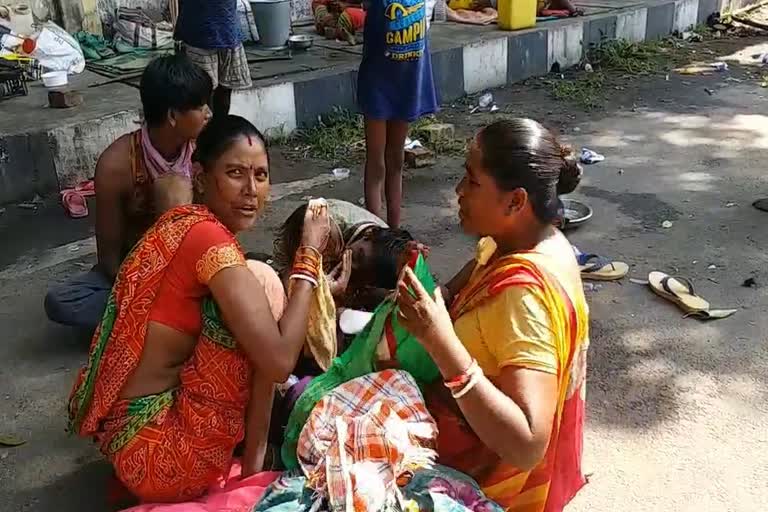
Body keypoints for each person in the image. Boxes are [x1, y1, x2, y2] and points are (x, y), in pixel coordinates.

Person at [67, 115, 332, 503]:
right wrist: (309, 255)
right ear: (201, 176)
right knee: (261, 285)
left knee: (251, 287)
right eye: (235, 173)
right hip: (164, 459)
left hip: (127, 437)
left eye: (260, 175)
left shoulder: (181, 223)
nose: (250, 190)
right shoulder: (209, 242)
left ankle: (252, 455)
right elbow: (277, 362)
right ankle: (255, 464)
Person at [395, 118, 589, 511]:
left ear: (515, 201)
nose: (459, 191)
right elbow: (474, 275)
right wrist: (440, 294)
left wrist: (439, 341)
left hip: (484, 485)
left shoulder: (523, 297)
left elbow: (527, 444)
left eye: (472, 181)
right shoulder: (528, 242)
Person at [44, 55, 213, 331]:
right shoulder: (116, 165)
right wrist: (149, 284)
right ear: (172, 116)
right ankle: (172, 318)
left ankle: (152, 322)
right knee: (63, 301)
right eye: (200, 106)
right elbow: (109, 260)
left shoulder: (206, 152)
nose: (208, 114)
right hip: (136, 277)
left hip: (197, 270)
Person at [358, 0, 438, 228]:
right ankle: (376, 233)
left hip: (408, 85)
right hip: (378, 85)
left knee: (396, 159)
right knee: (377, 163)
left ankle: (394, 230)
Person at [175, 0, 252, 117]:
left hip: (226, 31)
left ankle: (217, 131)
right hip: (202, 35)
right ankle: (210, 132)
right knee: (204, 94)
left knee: (222, 93)